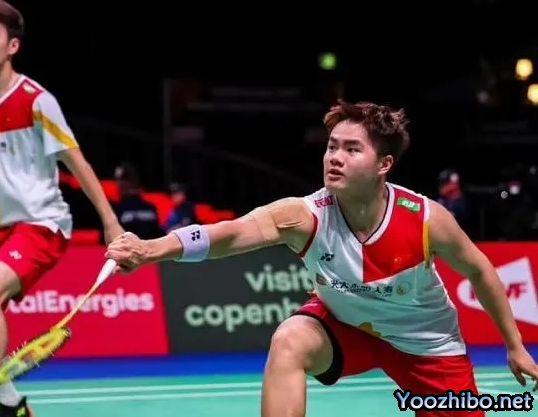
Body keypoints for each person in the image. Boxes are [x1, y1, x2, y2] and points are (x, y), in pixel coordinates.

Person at [105, 100, 538, 417]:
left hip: (425, 343)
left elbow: (479, 269)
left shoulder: (426, 219)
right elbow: (228, 234)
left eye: (352, 149)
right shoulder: (305, 215)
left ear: (384, 164)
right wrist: (150, 249)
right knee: (289, 341)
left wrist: (514, 345)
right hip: (346, 327)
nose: (335, 158)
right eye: (332, 146)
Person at [0, 0, 125, 417]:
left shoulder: (37, 100)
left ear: (13, 46)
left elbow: (77, 162)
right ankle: (10, 403)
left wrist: (110, 223)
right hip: (3, 227)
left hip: (43, 223)